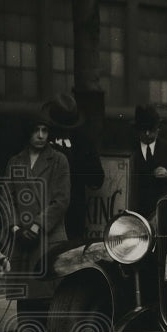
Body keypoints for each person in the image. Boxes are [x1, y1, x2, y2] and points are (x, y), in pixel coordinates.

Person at [4, 112, 71, 332]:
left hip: (47, 238)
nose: (41, 135)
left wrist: (37, 226)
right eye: (36, 130)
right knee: (25, 296)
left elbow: (61, 200)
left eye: (45, 130)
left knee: (47, 296)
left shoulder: (59, 161)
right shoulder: (15, 162)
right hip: (22, 239)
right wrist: (14, 227)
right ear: (28, 133)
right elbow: (6, 195)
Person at [42, 93, 105, 244]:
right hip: (51, 210)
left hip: (68, 211)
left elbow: (97, 179)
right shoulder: (42, 138)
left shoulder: (82, 140)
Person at [128, 105, 167, 216]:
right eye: (143, 130)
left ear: (158, 129)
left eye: (150, 130)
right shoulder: (130, 151)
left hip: (165, 214)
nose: (147, 134)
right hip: (136, 215)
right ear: (137, 130)